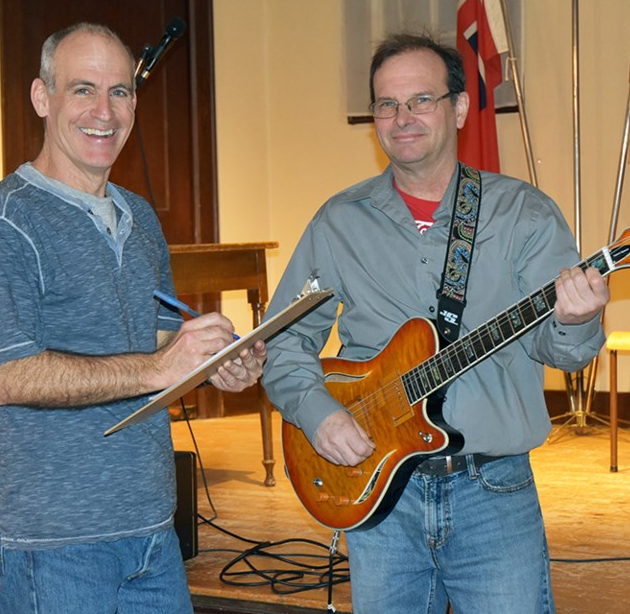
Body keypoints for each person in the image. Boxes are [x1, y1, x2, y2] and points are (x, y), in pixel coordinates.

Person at [260, 33, 609, 613]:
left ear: (461, 108)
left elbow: (566, 353)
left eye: (421, 100)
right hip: (379, 499)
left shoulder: (522, 213)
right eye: (387, 105)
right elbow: (284, 341)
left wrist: (578, 319)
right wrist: (318, 415)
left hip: (493, 492)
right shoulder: (339, 222)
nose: (403, 118)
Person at [0, 22, 266, 614]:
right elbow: (11, 377)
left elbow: (160, 336)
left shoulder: (139, 217)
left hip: (151, 529)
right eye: (83, 90)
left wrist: (215, 360)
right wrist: (157, 369)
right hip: (54, 542)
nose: (105, 111)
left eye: (120, 92)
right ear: (43, 98)